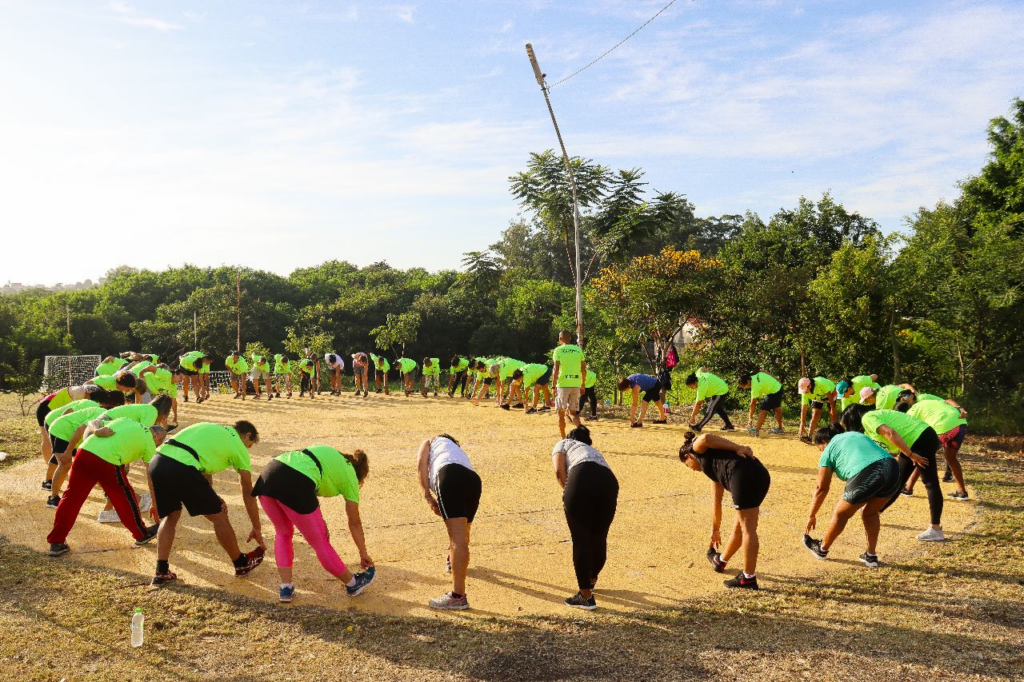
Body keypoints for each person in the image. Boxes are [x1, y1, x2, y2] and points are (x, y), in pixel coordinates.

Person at [147, 421, 266, 586]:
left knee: (171, 516)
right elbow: (248, 491)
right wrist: (256, 526)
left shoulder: (211, 428)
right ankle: (241, 563)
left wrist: (214, 499)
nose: (247, 449)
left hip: (157, 462)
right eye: (249, 445)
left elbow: (203, 473)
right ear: (247, 435)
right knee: (219, 517)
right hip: (182, 468)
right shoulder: (237, 445)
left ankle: (161, 571)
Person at [252, 446, 376, 602]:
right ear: (360, 475)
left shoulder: (332, 456)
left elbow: (309, 480)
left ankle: (286, 587)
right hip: (296, 481)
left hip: (268, 475)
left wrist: (319, 520)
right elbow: (354, 523)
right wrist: (363, 553)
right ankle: (353, 584)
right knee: (320, 541)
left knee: (283, 532)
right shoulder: (350, 477)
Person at [46, 418, 163, 557]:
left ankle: (56, 542)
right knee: (125, 497)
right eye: (159, 442)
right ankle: (141, 534)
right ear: (157, 436)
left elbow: (94, 421)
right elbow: (151, 477)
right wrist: (155, 505)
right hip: (107, 460)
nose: (157, 446)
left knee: (71, 498)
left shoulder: (125, 420)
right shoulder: (149, 441)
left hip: (84, 452)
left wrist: (96, 430)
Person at [678, 431, 769, 590]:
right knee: (741, 526)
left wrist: (739, 447)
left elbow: (706, 438)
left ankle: (748, 578)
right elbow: (717, 503)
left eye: (688, 466)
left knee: (748, 529)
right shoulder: (714, 468)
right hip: (760, 474)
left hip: (742, 474)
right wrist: (715, 529)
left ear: (688, 457)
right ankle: (720, 561)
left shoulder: (696, 449)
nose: (692, 470)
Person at [803, 425, 902, 568]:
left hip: (869, 471)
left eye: (820, 449)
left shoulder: (829, 448)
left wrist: (811, 514)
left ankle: (822, 549)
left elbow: (821, 488)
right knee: (870, 512)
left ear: (824, 441)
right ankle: (871, 556)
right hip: (893, 468)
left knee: (840, 514)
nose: (821, 452)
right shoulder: (855, 434)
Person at [842, 405, 945, 541]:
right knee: (898, 479)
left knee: (930, 482)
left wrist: (911, 454)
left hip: (921, 438)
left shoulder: (868, 418)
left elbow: (890, 433)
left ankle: (935, 529)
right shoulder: (869, 428)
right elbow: (889, 447)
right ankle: (875, 510)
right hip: (913, 441)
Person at [552, 426, 619, 609]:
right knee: (599, 537)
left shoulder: (563, 443)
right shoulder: (594, 451)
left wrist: (571, 495)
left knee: (581, 539)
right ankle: (591, 578)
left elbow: (559, 472)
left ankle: (585, 595)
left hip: (581, 476)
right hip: (609, 482)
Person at [417, 434, 481, 610]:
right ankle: (451, 561)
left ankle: (458, 596)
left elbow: (420, 465)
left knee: (456, 539)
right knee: (464, 531)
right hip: (473, 480)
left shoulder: (430, 441)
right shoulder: (456, 449)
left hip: (448, 476)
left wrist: (427, 496)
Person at [900, 399, 970, 500]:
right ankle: (961, 492)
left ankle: (908, 488)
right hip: (960, 425)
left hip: (943, 426)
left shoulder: (911, 412)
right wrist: (960, 408)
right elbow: (948, 400)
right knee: (950, 458)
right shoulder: (933, 402)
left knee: (923, 455)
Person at [552, 332, 587, 439]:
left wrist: (553, 386)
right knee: (573, 414)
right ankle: (583, 435)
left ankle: (563, 439)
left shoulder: (558, 350)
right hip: (576, 384)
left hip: (563, 384)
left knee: (561, 414)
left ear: (560, 338)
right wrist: (583, 384)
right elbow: (583, 369)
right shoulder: (578, 349)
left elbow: (556, 369)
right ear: (570, 338)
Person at [737, 371, 784, 437]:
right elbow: (764, 371)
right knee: (777, 408)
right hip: (778, 387)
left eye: (744, 386)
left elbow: (753, 403)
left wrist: (750, 419)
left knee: (763, 410)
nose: (744, 388)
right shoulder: (757, 375)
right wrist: (776, 379)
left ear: (748, 382)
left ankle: (756, 430)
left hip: (774, 391)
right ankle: (780, 429)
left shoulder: (755, 385)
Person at [798, 376, 838, 443]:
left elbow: (830, 396)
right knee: (815, 414)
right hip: (817, 396)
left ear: (810, 386)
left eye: (805, 389)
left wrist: (832, 409)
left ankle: (836, 436)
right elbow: (804, 409)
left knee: (832, 415)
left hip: (831, 394)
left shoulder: (821, 384)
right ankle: (809, 437)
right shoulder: (805, 392)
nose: (804, 392)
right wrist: (801, 424)